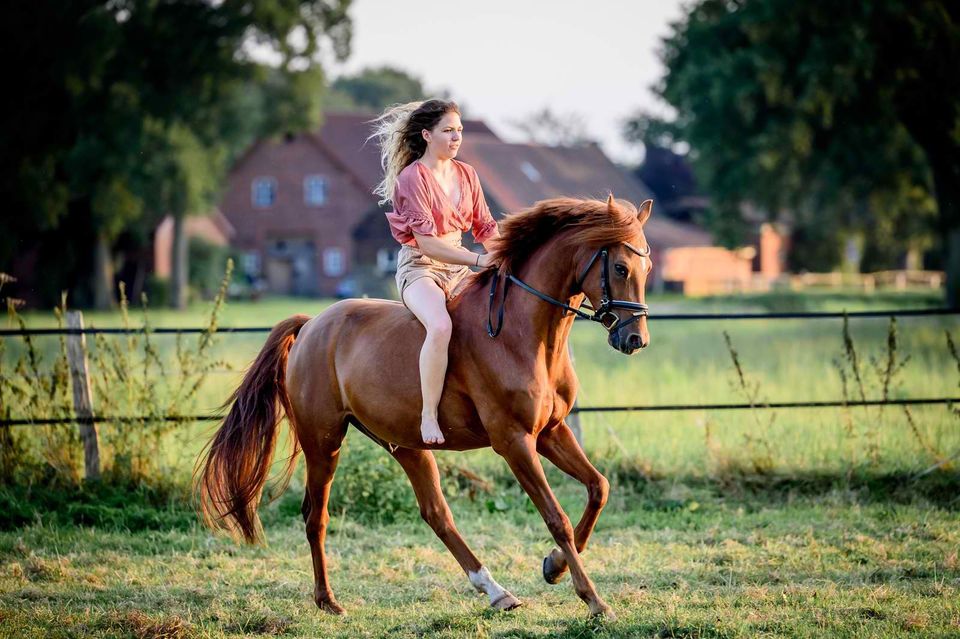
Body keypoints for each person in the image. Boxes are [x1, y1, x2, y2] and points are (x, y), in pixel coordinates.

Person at [371, 99, 499, 445]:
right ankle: (428, 415)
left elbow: (485, 228)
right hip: (421, 268)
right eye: (448, 131)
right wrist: (476, 261)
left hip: (458, 267)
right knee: (441, 326)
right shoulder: (412, 178)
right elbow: (427, 245)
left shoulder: (468, 174)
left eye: (459, 130)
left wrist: (507, 257)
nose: (456, 137)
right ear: (427, 135)